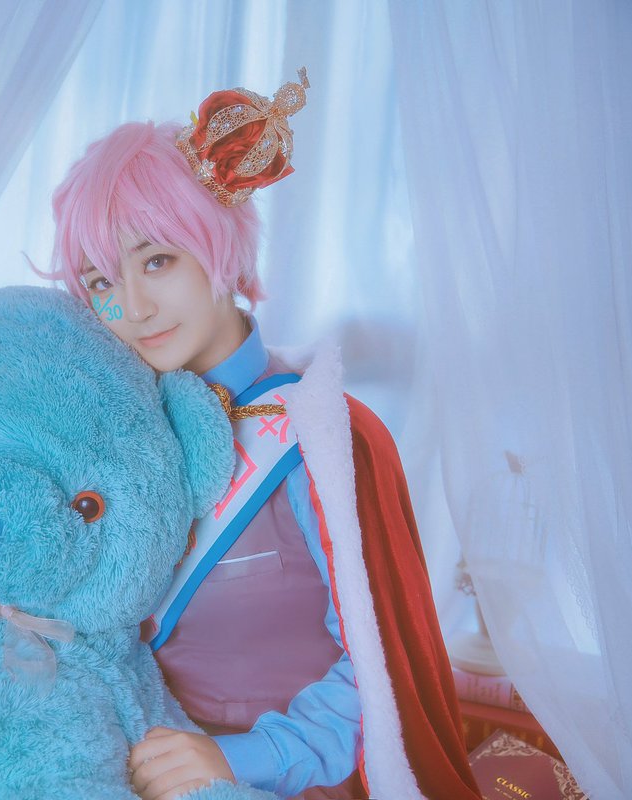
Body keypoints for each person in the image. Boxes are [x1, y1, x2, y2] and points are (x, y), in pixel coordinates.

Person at [38, 72, 482, 800]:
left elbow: (383, 671)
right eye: (102, 282)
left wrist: (241, 759)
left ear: (220, 249)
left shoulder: (332, 439)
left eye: (157, 261)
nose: (134, 307)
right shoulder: (107, 438)